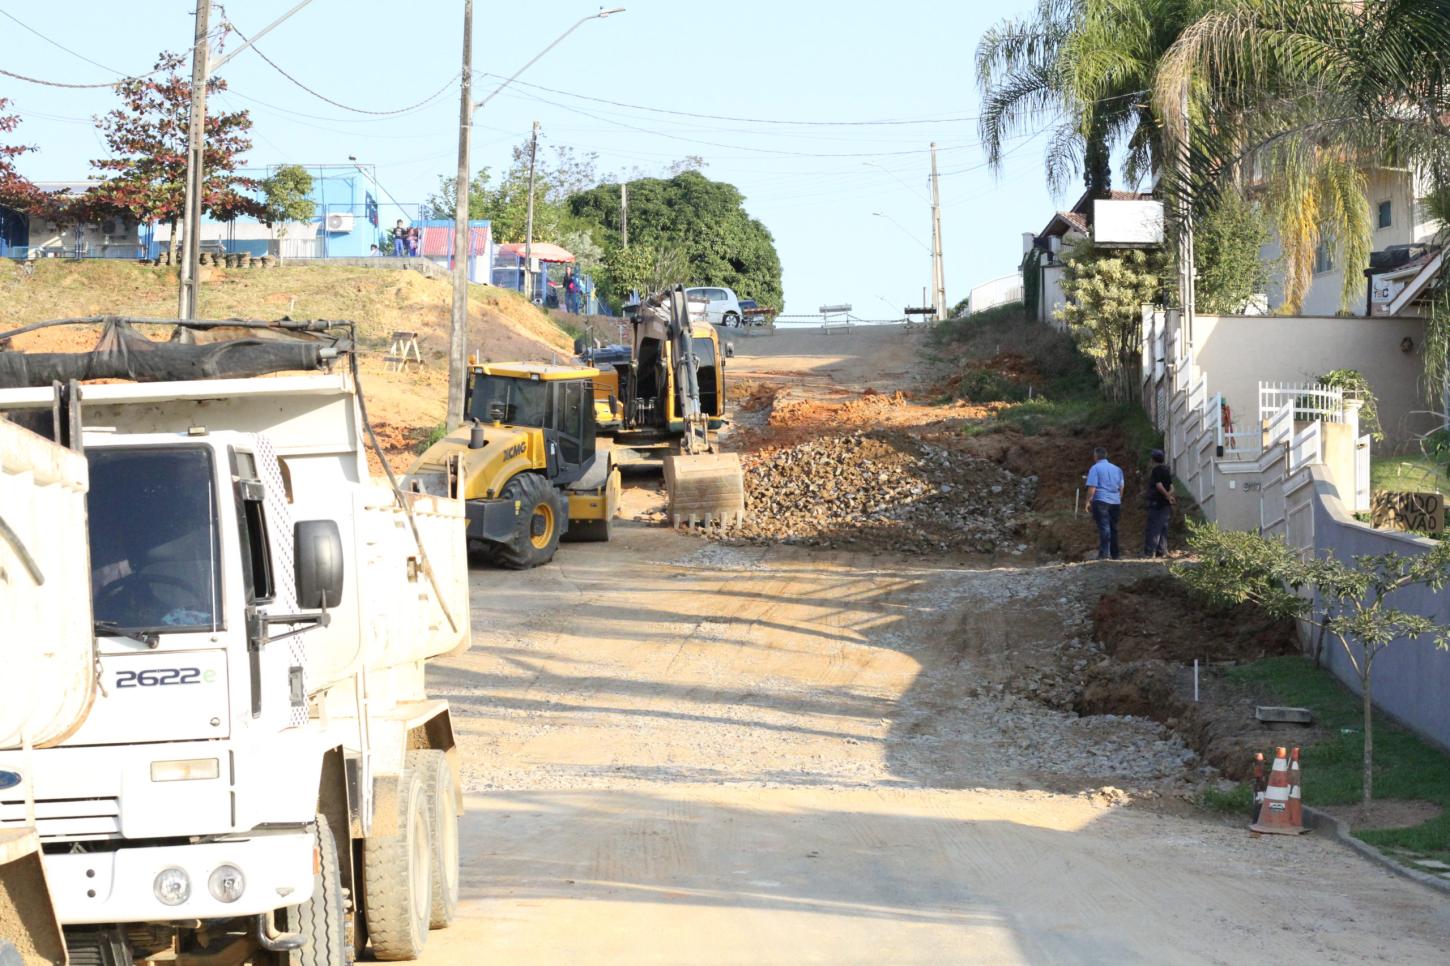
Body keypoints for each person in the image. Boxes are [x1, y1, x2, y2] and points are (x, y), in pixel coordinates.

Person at [1085, 446, 1125, 560]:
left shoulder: (1095, 468)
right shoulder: (1117, 469)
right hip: (1115, 501)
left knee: (1104, 527)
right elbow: (1121, 487)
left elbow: (1092, 487)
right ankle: (1115, 554)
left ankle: (1104, 554)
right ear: (1106, 455)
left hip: (1101, 500)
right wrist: (1119, 498)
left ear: (1096, 456)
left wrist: (1088, 501)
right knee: (1113, 527)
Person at [1144, 448, 1176, 557]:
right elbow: (1172, 487)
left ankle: (1150, 551)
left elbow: (1159, 485)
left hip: (1157, 502)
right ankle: (1162, 551)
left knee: (1154, 527)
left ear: (1153, 460)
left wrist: (1167, 496)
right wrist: (1169, 496)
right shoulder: (1166, 470)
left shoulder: (1156, 470)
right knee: (1163, 527)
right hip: (1165, 504)